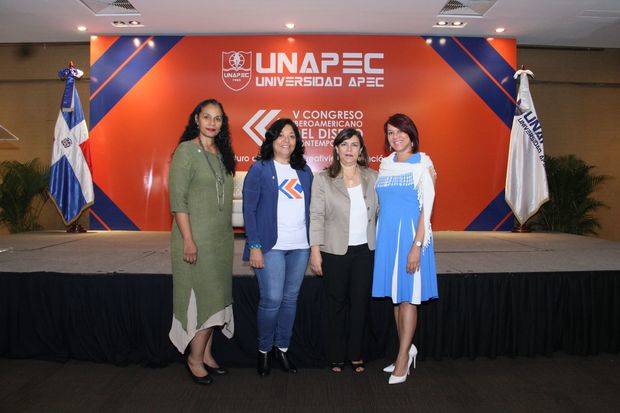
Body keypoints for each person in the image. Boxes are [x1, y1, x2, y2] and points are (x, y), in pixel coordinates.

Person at [168, 99, 236, 385]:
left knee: (217, 298)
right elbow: (178, 202)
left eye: (218, 118)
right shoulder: (186, 151)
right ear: (196, 118)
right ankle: (194, 359)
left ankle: (207, 354)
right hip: (195, 239)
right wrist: (188, 240)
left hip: (221, 240)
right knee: (203, 298)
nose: (212, 122)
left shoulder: (221, 153)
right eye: (207, 117)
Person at [242, 118, 313, 377]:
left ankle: (282, 348)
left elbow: (312, 210)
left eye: (292, 136)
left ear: (297, 142)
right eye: (281, 135)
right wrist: (255, 246)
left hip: (300, 246)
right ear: (271, 139)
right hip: (270, 246)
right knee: (271, 300)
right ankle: (264, 351)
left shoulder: (304, 172)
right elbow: (249, 210)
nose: (286, 140)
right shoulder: (260, 169)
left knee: (290, 300)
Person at [372, 113, 438, 385]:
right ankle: (406, 349)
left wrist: (417, 246)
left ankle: (402, 359)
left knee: (409, 298)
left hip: (412, 238)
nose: (395, 137)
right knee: (396, 298)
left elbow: (427, 209)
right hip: (388, 240)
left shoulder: (423, 163)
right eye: (390, 133)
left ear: (411, 133)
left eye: (400, 131)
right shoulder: (385, 164)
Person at [309, 128, 378, 373]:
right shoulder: (323, 179)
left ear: (361, 150)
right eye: (345, 144)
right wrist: (314, 251)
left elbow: (380, 214)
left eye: (355, 145)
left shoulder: (373, 177)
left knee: (360, 304)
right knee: (335, 305)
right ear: (336, 149)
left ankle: (356, 353)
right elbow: (316, 216)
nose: (349, 149)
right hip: (334, 251)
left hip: (365, 252)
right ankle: (336, 355)